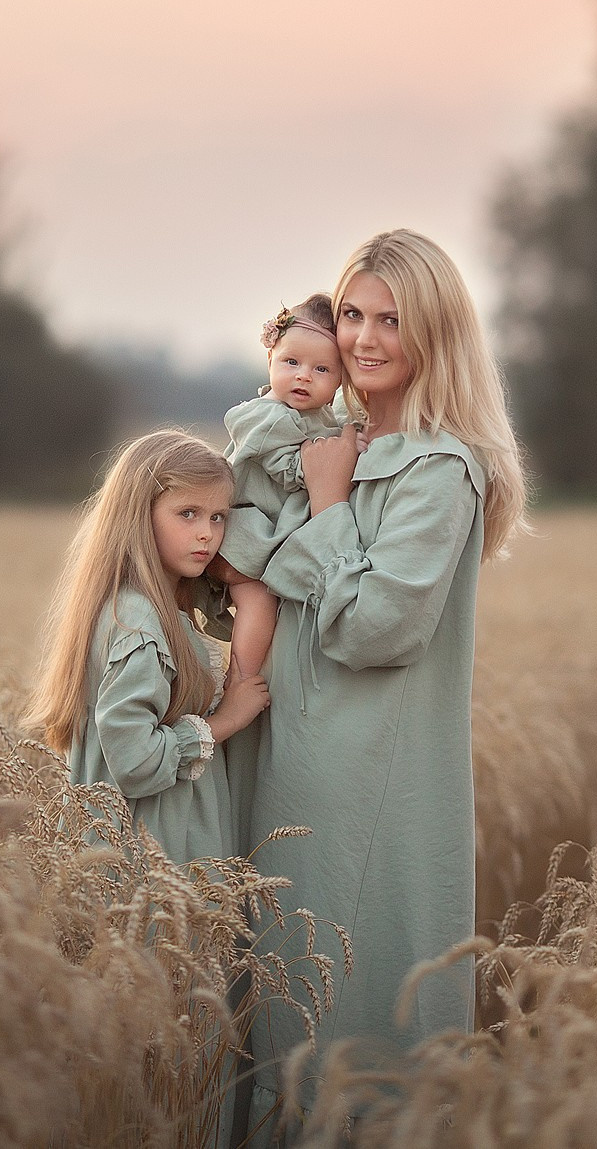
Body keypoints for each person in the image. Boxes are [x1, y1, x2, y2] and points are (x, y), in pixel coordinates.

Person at [243, 230, 528, 1134]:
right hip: (295, 767)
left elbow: (375, 629)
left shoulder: (440, 469)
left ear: (435, 333)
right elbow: (262, 572)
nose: (362, 338)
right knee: (286, 1015)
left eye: (390, 320)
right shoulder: (337, 440)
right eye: (353, 313)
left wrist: (328, 507)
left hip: (366, 786)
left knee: (352, 1025)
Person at [26, 429, 272, 866]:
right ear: (139, 516)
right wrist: (224, 721)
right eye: (188, 514)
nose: (207, 535)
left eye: (218, 517)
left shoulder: (137, 608)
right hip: (153, 851)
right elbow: (135, 759)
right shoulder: (139, 624)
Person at [210, 294, 346, 854]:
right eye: (291, 362)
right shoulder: (264, 416)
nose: (302, 377)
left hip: (273, 529)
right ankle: (240, 679)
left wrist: (344, 439)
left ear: (340, 381)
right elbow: (297, 466)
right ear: (270, 360)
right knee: (259, 601)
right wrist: (341, 453)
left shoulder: (321, 420)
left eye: (321, 369)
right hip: (247, 529)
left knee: (270, 600)